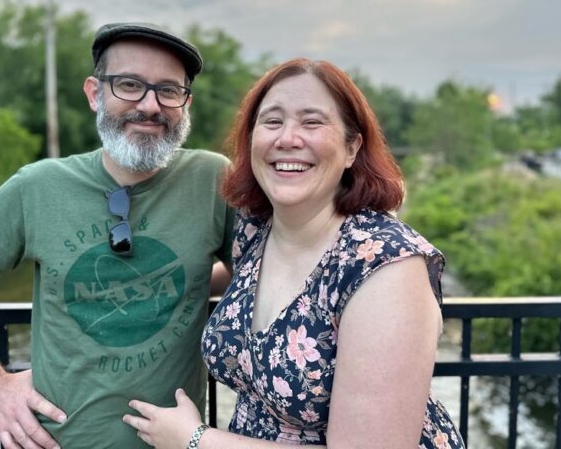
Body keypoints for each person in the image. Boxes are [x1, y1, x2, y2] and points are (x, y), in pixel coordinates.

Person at [122, 58, 465, 448]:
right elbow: (202, 278)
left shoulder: (385, 266)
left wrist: (195, 440)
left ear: (352, 147)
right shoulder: (254, 233)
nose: (288, 138)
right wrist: (43, 368)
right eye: (272, 121)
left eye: (312, 122)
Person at [0, 22, 235, 449]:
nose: (149, 105)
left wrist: (200, 278)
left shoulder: (214, 181)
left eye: (169, 90)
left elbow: (268, 275)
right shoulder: (37, 187)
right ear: (95, 93)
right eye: (129, 85)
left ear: (186, 103)